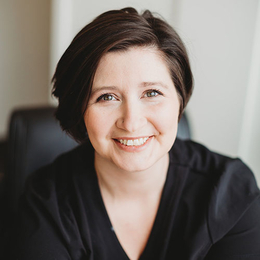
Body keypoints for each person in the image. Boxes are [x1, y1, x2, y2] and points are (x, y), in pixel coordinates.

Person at [8, 7, 260, 260]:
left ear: (179, 101)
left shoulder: (229, 192)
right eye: (106, 97)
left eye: (151, 93)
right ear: (80, 110)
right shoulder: (47, 202)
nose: (131, 122)